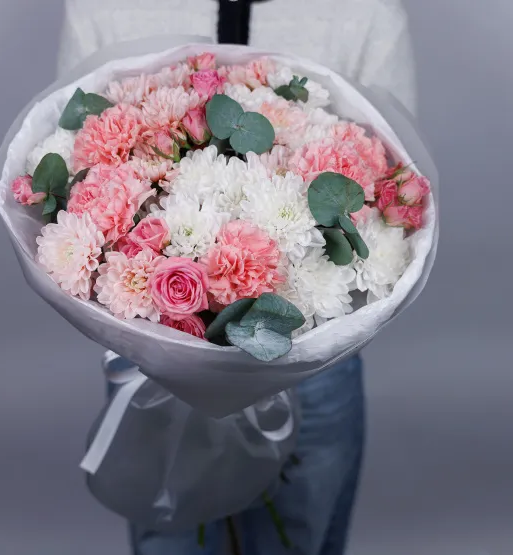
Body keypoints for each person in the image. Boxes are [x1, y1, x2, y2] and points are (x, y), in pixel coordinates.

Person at [58, 1, 416, 554]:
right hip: (155, 365)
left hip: (314, 363)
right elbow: (71, 160)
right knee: (175, 540)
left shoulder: (366, 9)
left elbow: (395, 187)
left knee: (298, 538)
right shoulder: (100, 5)